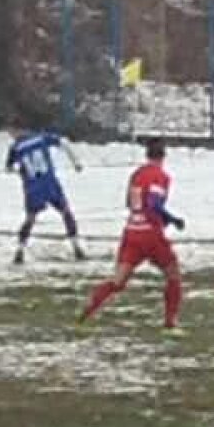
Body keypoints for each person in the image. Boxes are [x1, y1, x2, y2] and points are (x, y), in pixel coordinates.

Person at [78, 137, 185, 334]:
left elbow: (130, 202)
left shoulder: (137, 174)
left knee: (117, 281)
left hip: (132, 232)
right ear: (163, 155)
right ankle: (170, 323)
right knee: (173, 275)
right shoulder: (160, 175)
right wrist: (172, 219)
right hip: (151, 235)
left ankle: (88, 310)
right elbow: (154, 203)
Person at [6, 128, 85, 264]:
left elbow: (8, 168)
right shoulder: (41, 138)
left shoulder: (15, 147)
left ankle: (19, 251)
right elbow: (63, 142)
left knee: (30, 218)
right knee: (65, 211)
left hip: (33, 187)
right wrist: (76, 162)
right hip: (49, 183)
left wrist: (20, 172)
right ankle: (76, 247)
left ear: (15, 131)